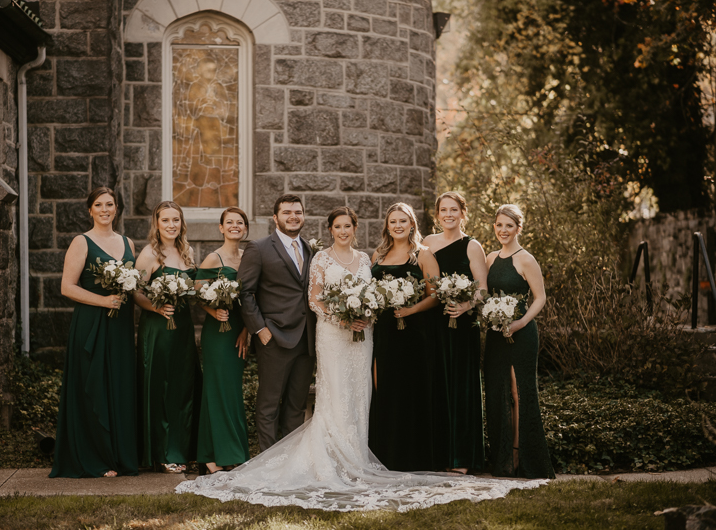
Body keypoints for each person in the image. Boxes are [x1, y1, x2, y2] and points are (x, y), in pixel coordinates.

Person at [175, 206, 546, 511]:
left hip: (363, 334)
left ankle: (357, 453)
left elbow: (375, 295)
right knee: (334, 392)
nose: (343, 231)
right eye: (337, 226)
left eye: (348, 226)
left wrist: (366, 314)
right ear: (331, 229)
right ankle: (331, 457)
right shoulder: (320, 257)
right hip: (332, 334)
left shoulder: (367, 259)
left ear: (355, 228)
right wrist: (340, 316)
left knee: (360, 393)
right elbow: (314, 298)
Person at [50, 187, 139, 478]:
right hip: (92, 324)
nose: (104, 209)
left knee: (120, 387)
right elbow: (67, 287)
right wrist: (103, 300)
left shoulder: (128, 242)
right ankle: (95, 459)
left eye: (109, 204)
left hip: (121, 326)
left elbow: (133, 286)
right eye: (98, 205)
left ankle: (119, 456)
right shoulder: (81, 242)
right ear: (90, 210)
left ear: (116, 208)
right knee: (93, 387)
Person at [236, 194, 317, 451]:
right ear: (275, 217)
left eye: (297, 212)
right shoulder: (258, 248)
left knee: (296, 405)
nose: (293, 217)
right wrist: (259, 330)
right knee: (269, 405)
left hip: (306, 340)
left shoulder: (309, 248)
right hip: (274, 338)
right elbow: (245, 292)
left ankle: (289, 461)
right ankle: (268, 462)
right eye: (287, 212)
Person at [484, 204, 555, 479]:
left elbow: (540, 298)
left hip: (521, 332)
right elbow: (483, 293)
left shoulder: (526, 259)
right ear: (494, 227)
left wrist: (520, 323)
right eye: (499, 225)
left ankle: (520, 456)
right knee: (496, 393)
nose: (503, 230)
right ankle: (500, 458)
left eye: (509, 226)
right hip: (495, 334)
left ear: (518, 229)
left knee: (518, 393)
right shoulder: (490, 258)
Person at [369, 202, 441, 471]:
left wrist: (411, 309)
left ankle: (413, 456)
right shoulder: (379, 253)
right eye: (393, 221)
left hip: (413, 333)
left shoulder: (422, 254)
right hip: (383, 330)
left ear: (412, 224)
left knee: (410, 390)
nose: (397, 225)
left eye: (402, 221)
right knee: (384, 388)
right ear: (387, 226)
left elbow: (435, 296)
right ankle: (385, 454)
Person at [133, 201, 201, 474]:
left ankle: (183, 449)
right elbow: (135, 292)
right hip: (158, 328)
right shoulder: (149, 254)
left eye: (176, 220)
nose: (171, 225)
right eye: (166, 220)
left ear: (181, 223)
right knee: (159, 387)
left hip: (183, 327)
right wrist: (156, 306)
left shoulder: (188, 252)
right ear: (157, 223)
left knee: (183, 386)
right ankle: (161, 453)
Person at [423, 192, 487, 474]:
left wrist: (465, 305)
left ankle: (461, 457)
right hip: (432, 324)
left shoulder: (472, 246)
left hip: (461, 326)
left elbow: (483, 289)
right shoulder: (426, 243)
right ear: (437, 215)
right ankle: (437, 455)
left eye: (453, 210)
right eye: (443, 210)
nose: (448, 215)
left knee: (460, 388)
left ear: (463, 212)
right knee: (435, 385)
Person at [196, 207, 251, 474]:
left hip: (240, 331)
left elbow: (253, 298)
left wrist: (248, 330)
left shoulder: (248, 257)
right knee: (216, 389)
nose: (234, 226)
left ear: (245, 228)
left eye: (239, 222)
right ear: (221, 227)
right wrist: (213, 310)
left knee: (232, 390)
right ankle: (213, 457)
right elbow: (195, 293)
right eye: (229, 222)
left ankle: (229, 452)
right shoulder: (212, 258)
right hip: (217, 333)